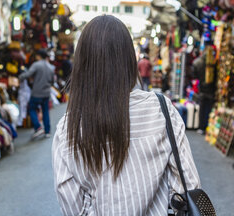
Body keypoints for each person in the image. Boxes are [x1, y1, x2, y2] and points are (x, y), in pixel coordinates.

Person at [52, 15, 200, 215]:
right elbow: (187, 184)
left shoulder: (68, 127)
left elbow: (72, 206)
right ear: (130, 59)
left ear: (82, 64)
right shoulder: (161, 109)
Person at [19, 49, 55, 138]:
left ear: (39, 56)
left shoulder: (36, 65)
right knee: (45, 111)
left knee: (31, 108)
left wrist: (20, 77)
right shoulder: (50, 67)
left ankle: (38, 127)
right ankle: (47, 131)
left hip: (37, 92)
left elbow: (28, 74)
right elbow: (52, 81)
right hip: (46, 93)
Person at [192, 50, 216, 135]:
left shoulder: (197, 62)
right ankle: (207, 127)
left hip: (201, 89)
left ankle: (201, 127)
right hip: (210, 90)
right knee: (208, 110)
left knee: (202, 110)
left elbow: (194, 76)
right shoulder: (212, 63)